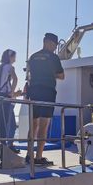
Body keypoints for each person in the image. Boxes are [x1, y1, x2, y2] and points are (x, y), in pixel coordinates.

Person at [26, 33, 65, 165]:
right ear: (49, 42)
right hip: (47, 92)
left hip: (33, 91)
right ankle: (38, 158)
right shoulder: (53, 57)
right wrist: (50, 73)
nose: (55, 48)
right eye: (54, 45)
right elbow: (61, 75)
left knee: (33, 125)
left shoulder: (32, 57)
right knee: (44, 125)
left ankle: (29, 155)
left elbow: (29, 76)